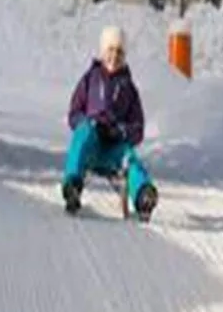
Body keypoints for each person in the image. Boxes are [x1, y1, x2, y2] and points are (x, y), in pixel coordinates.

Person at [62, 25, 158, 220]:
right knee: (82, 136)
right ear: (102, 51)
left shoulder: (129, 88)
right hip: (92, 145)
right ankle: (72, 185)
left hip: (113, 150)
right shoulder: (90, 79)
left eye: (120, 52)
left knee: (129, 157)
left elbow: (138, 128)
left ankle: (142, 195)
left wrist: (121, 131)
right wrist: (88, 124)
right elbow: (74, 113)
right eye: (110, 50)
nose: (114, 56)